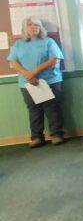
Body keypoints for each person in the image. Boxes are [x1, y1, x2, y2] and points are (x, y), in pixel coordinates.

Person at [8, 16, 65, 148]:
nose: (33, 27)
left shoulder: (48, 42)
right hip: (27, 83)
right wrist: (28, 75)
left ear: (40, 28)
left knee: (52, 108)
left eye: (36, 25)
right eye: (29, 25)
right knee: (34, 109)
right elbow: (13, 62)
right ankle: (37, 137)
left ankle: (56, 134)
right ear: (25, 28)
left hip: (50, 80)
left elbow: (54, 60)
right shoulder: (18, 44)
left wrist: (34, 72)